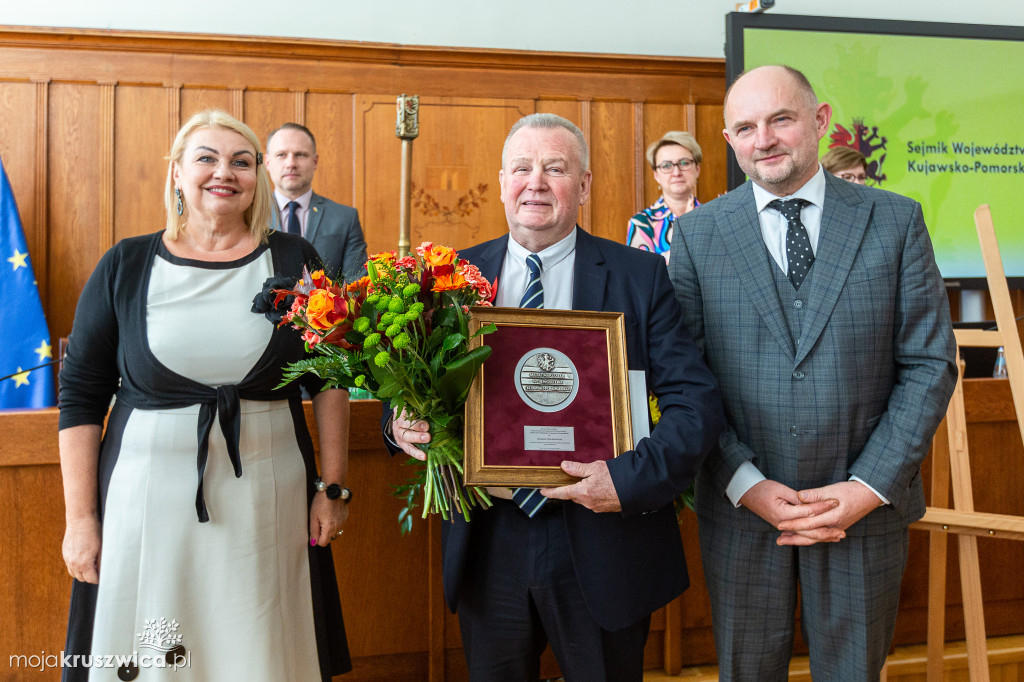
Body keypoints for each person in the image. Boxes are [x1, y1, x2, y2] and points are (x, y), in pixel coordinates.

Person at [389, 113, 724, 681]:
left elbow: (695, 405)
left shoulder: (640, 276)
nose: (536, 182)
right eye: (522, 168)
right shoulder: (448, 279)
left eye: (556, 168)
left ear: (585, 185)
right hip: (489, 538)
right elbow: (408, 387)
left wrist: (625, 480)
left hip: (603, 537)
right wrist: (400, 427)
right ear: (501, 183)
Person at [668, 65, 957, 681]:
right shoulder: (695, 238)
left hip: (863, 512)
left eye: (781, 119)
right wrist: (745, 482)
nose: (764, 139)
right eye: (745, 127)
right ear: (728, 140)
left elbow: (929, 365)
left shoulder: (896, 221)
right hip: (745, 513)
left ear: (820, 121)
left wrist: (866, 488)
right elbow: (685, 382)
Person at [58, 110, 352, 681]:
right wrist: (81, 520)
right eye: (207, 158)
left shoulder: (296, 261)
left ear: (258, 178)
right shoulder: (126, 264)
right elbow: (81, 395)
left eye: (242, 162)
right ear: (176, 173)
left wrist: (334, 488)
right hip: (147, 506)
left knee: (259, 650)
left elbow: (332, 377)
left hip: (268, 504)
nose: (226, 173)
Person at [265, 122, 368, 282]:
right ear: (268, 162)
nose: (291, 163)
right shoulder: (249, 216)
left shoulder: (345, 219)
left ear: (315, 161)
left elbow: (355, 284)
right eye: (281, 155)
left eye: (300, 154)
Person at [626, 130, 702, 262]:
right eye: (667, 166)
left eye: (684, 163)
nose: (676, 172)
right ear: (657, 175)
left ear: (697, 169)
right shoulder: (642, 223)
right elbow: (642, 275)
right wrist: (686, 230)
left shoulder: (713, 216)